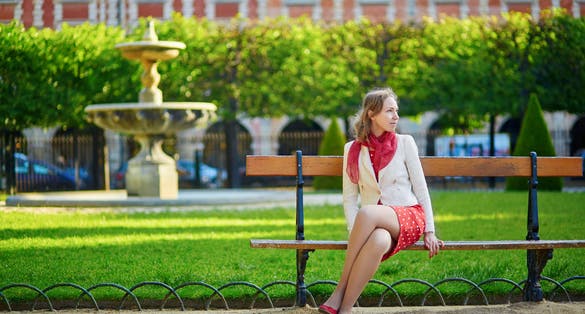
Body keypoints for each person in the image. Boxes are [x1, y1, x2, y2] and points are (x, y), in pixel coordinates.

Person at [318, 87, 444, 314]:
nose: (396, 116)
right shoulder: (352, 149)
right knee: (377, 240)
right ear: (371, 114)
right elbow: (349, 198)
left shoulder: (405, 142)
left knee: (365, 213)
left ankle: (338, 290)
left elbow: (421, 188)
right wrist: (355, 232)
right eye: (389, 111)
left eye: (396, 111)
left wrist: (430, 230)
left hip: (408, 214)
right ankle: (345, 308)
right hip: (376, 225)